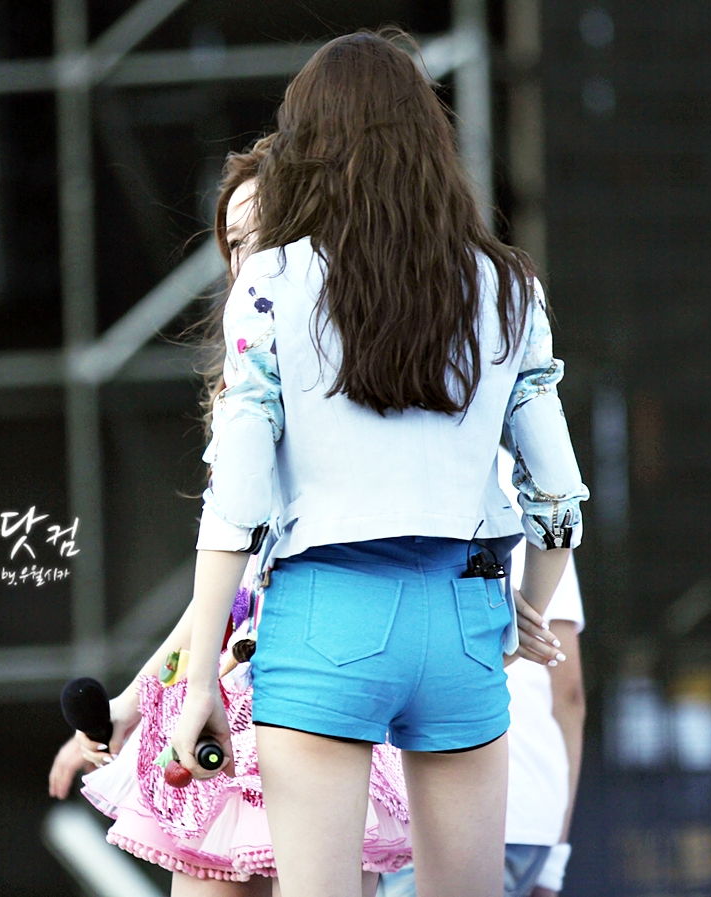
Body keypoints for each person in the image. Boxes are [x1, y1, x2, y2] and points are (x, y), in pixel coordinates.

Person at [170, 29, 588, 897]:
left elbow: (235, 502)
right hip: (464, 614)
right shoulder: (509, 287)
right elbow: (556, 493)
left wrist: (199, 673)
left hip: (324, 615)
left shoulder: (269, 284)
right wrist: (526, 607)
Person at [46, 136, 432, 896]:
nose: (247, 259)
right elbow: (226, 598)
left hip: (326, 684)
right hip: (238, 695)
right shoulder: (244, 381)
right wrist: (133, 703)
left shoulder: (355, 377)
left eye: (266, 237)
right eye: (235, 244)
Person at [377, 449, 587, 897]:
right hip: (529, 815)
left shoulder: (374, 462)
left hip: (407, 809)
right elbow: (568, 691)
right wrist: (554, 860)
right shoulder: (530, 476)